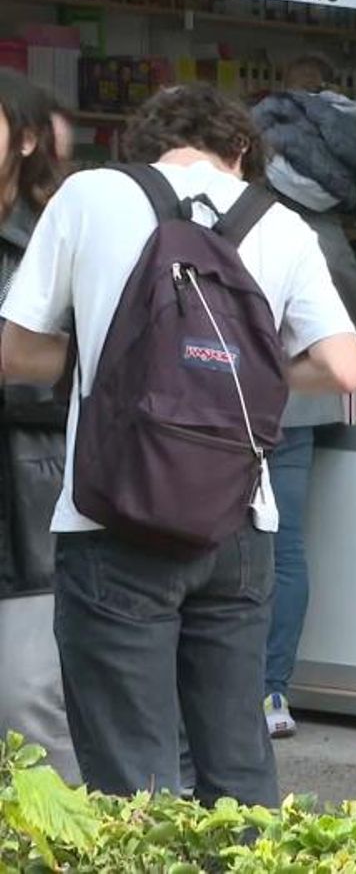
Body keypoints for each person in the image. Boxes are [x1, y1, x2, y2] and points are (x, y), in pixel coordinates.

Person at [0, 83, 356, 806]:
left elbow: (14, 352)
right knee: (237, 765)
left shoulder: (89, 196)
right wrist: (253, 372)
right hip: (238, 524)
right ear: (241, 150)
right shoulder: (280, 222)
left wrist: (114, 362)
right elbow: (343, 367)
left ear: (142, 147)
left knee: (132, 776)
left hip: (111, 518)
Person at [252, 54, 356, 739]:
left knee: (224, 547)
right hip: (296, 407)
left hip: (227, 398)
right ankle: (271, 692)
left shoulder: (245, 203)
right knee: (286, 549)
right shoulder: (317, 217)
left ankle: (231, 690)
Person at [0, 69, 75, 781]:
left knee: (27, 706)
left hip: (28, 505)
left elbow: (87, 369)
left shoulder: (53, 242)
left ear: (25, 141)